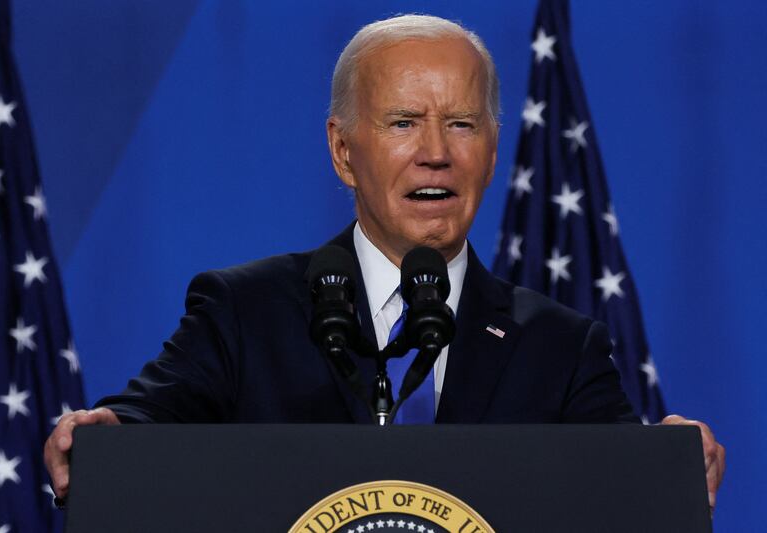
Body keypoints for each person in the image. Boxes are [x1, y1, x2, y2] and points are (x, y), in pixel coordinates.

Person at [44, 14, 725, 511]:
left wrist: (673, 462)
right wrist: (101, 438)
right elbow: (139, 428)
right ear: (343, 152)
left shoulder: (561, 346)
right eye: (403, 122)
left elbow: (628, 489)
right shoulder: (246, 312)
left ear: (491, 151)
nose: (436, 151)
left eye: (461, 123)